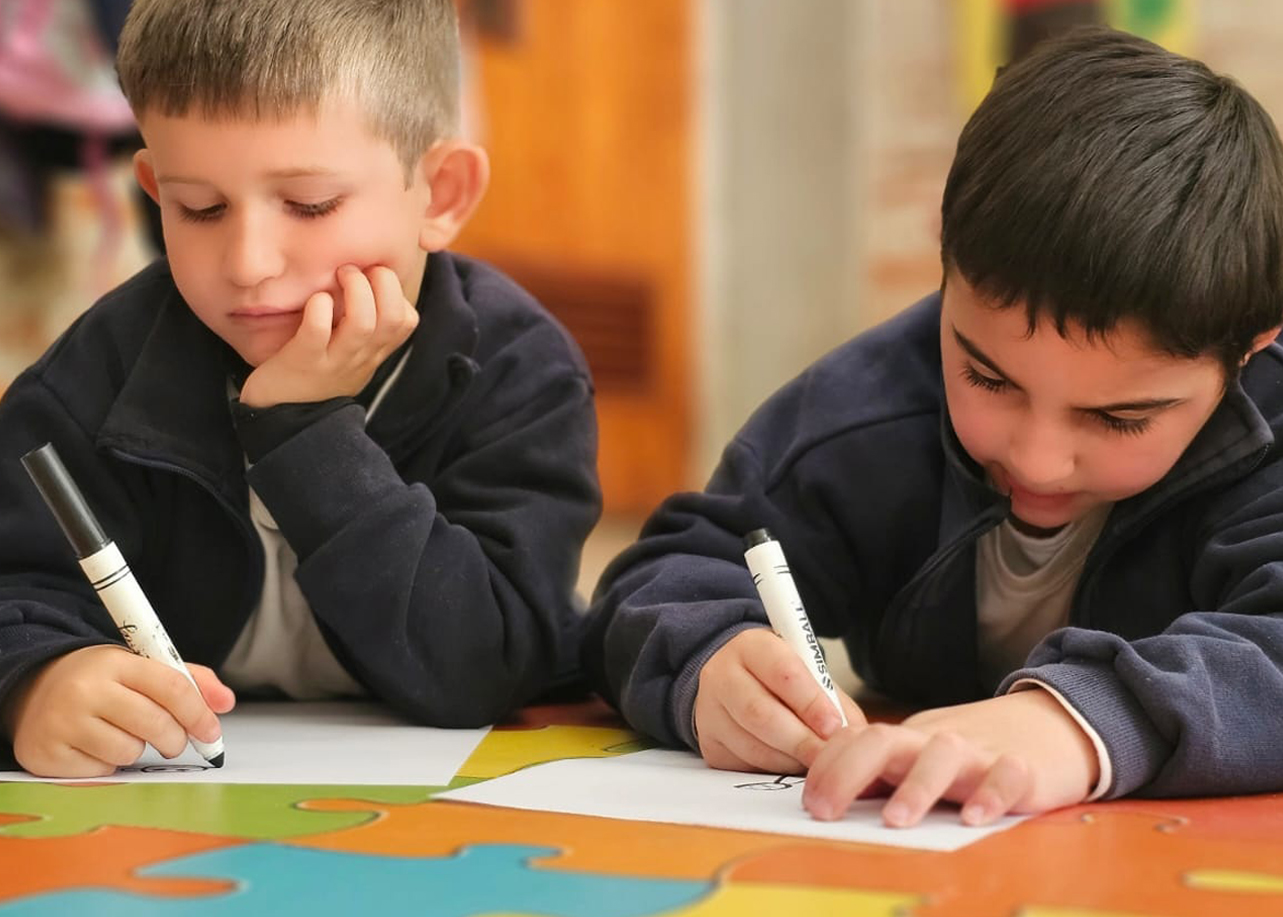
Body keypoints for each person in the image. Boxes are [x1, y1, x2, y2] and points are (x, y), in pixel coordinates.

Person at [582, 26, 1283, 829]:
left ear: (1249, 348)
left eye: (1119, 417)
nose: (1038, 458)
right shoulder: (862, 413)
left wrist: (1073, 725)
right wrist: (706, 663)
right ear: (942, 254)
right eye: (987, 377)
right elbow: (663, 575)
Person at [0, 0, 601, 778]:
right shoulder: (93, 374)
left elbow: (484, 666)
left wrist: (304, 430)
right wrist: (36, 678)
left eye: (311, 204)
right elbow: (18, 585)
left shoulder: (520, 372)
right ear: (154, 190)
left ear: (442, 193)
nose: (248, 262)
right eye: (200, 207)